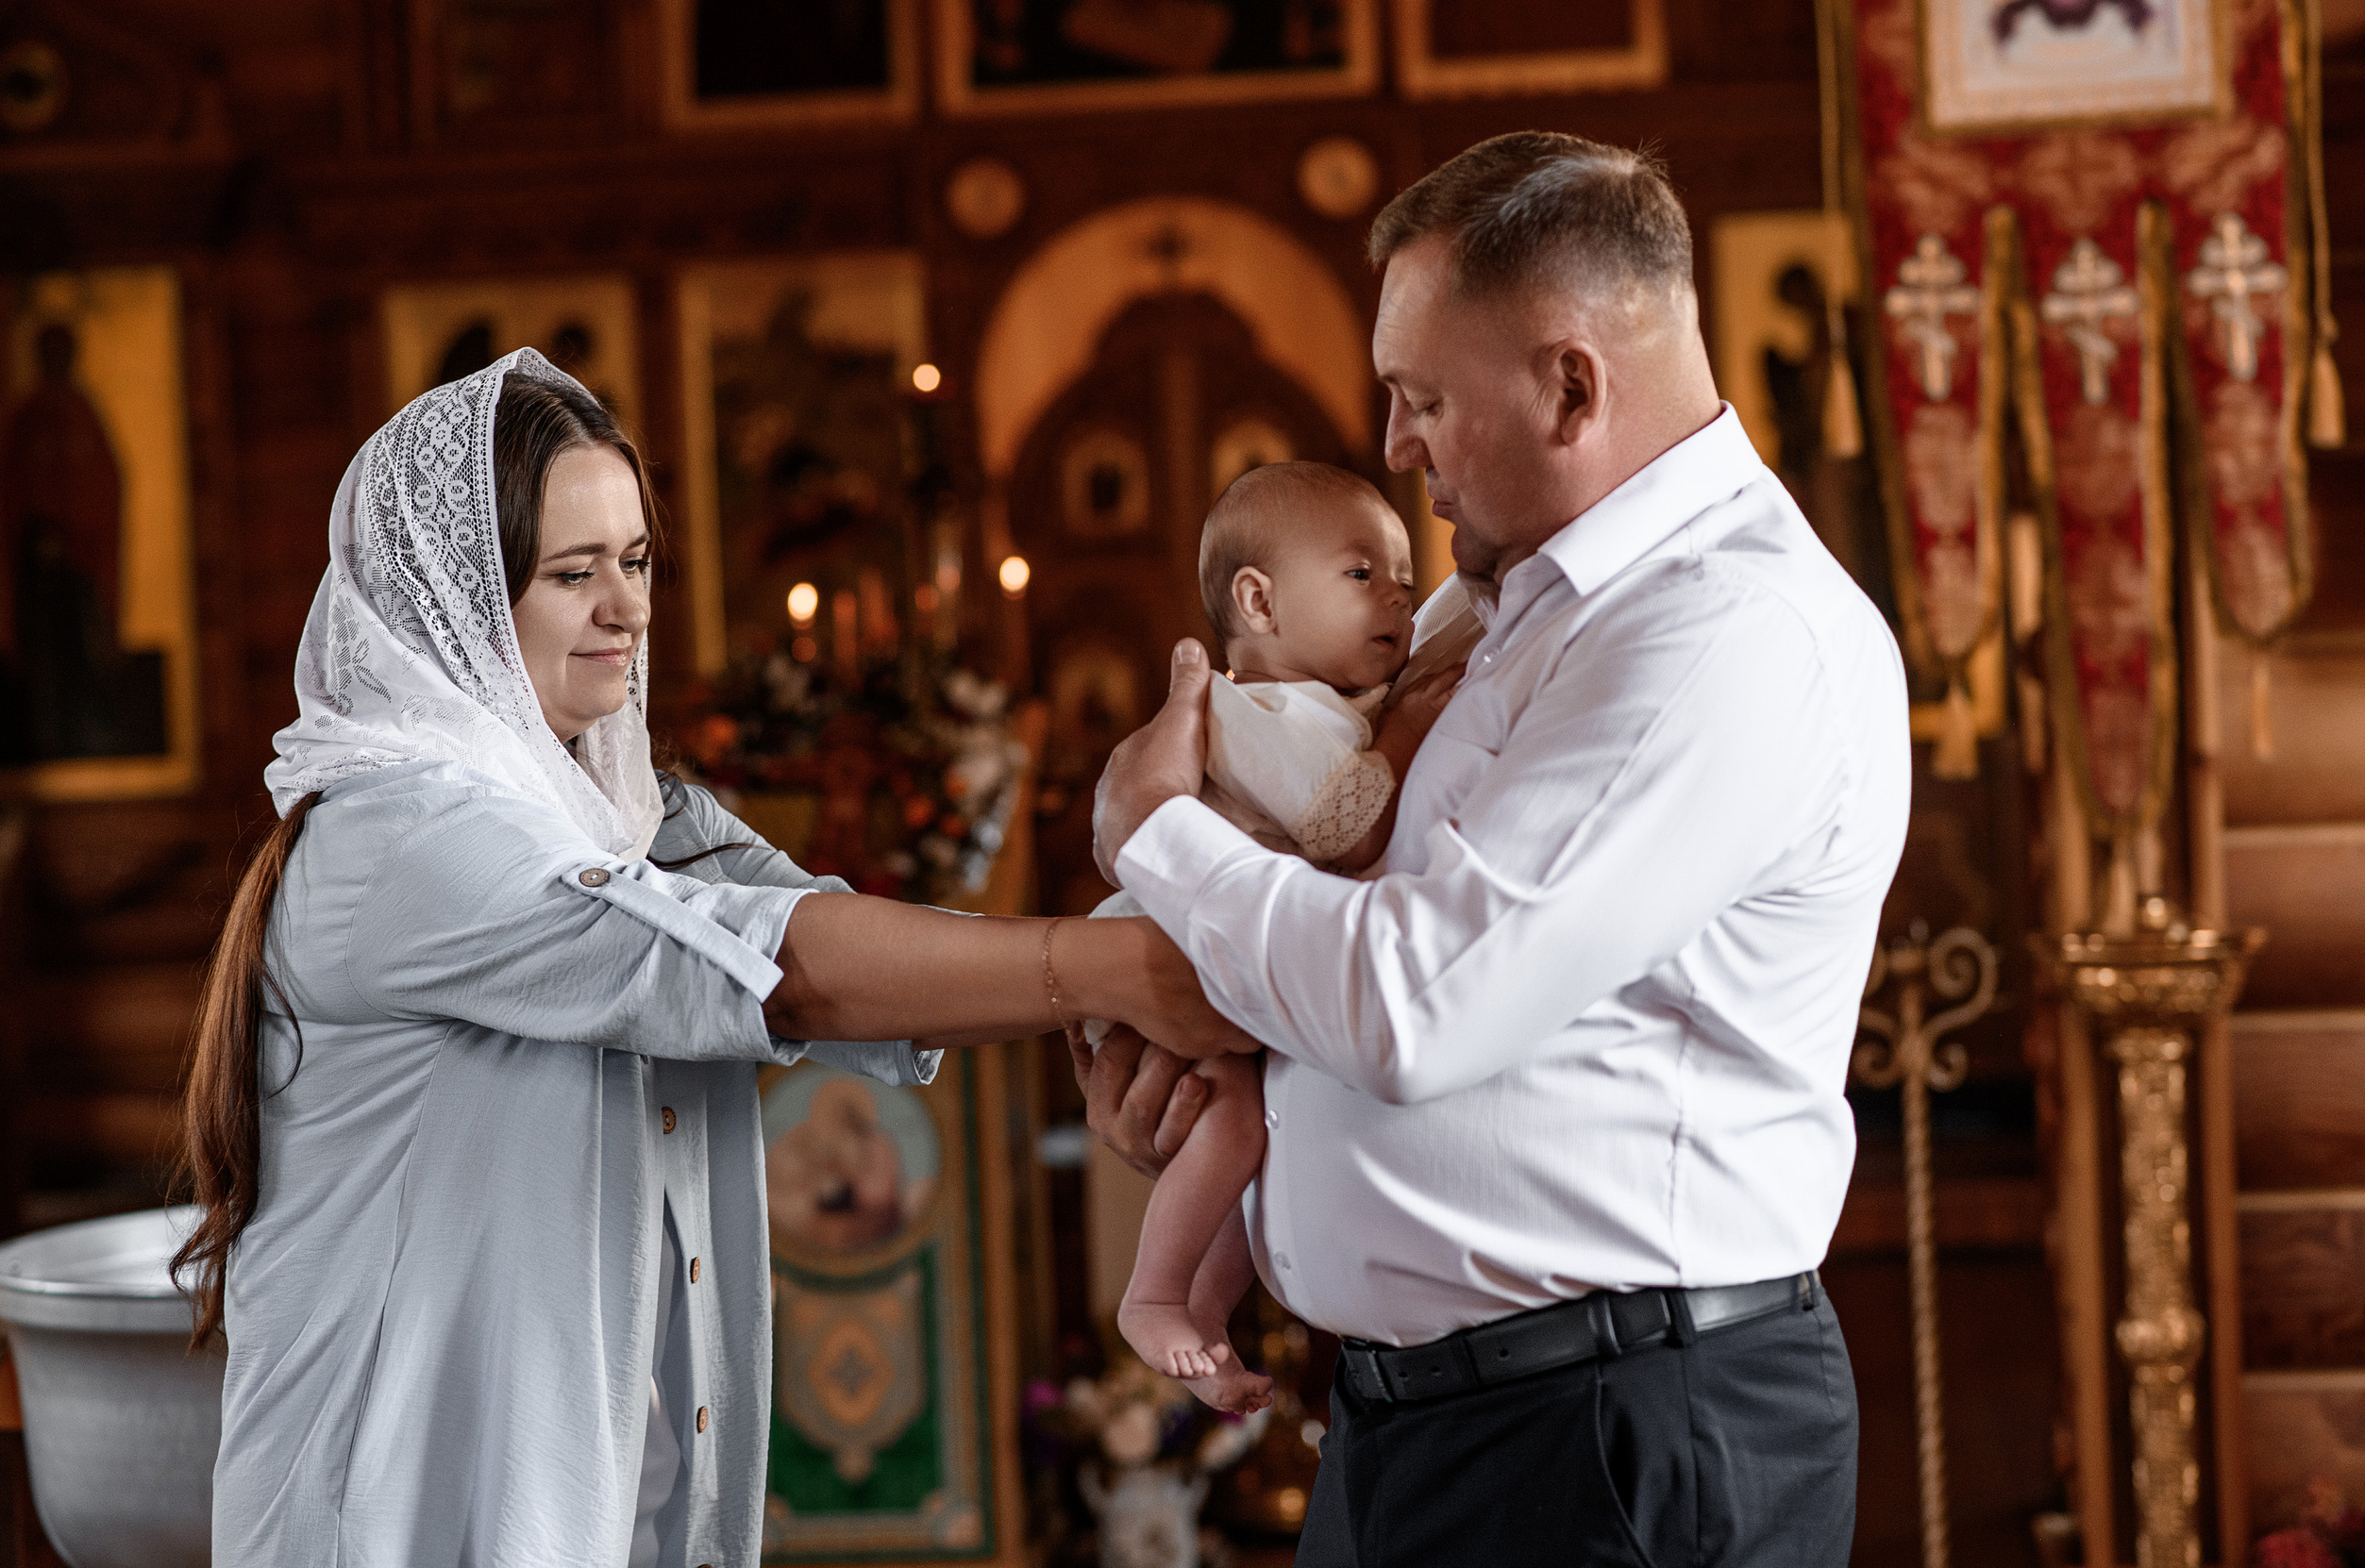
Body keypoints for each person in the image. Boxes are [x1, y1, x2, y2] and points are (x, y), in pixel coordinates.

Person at [175, 350, 1240, 1568]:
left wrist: (1097, 1001)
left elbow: (824, 927)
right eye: (573, 573)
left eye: (633, 560)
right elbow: (764, 966)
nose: (627, 607)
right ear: (454, 605)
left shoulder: (624, 808)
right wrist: (1111, 970)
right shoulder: (402, 835)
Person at [1081, 132, 1911, 1566]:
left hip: (1609, 1431)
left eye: (1422, 401)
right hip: (1436, 1419)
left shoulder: (1719, 633)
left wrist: (1152, 833)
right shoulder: (1515, 599)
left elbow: (1417, 1002)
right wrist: (1187, 1045)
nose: (1395, 447)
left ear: (1572, 385)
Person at [1092, 462, 1471, 1412]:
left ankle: (1201, 1315)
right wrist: (1410, 730)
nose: (1397, 594)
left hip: (1228, 967)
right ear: (1257, 602)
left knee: (1245, 1133)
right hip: (1167, 961)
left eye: (1401, 576)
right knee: (1225, 1120)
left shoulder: (1330, 705)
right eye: (1360, 574)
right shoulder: (1252, 709)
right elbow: (1344, 827)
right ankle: (1154, 1295)